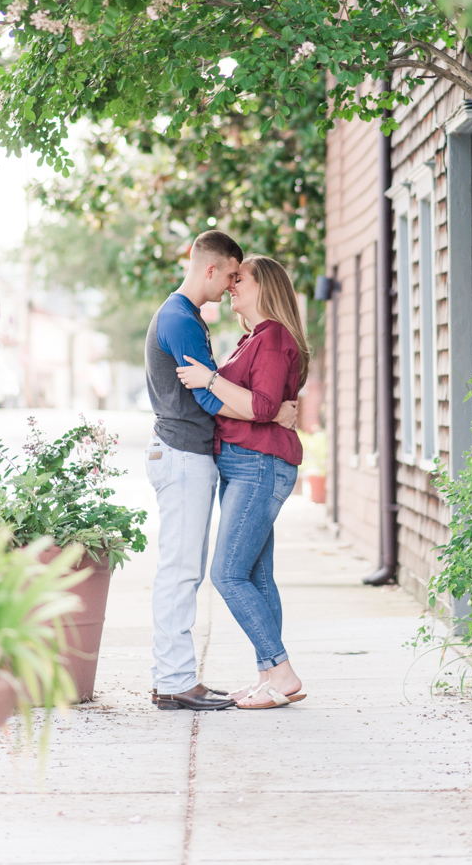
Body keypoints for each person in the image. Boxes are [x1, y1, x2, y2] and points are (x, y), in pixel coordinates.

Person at [144, 232, 298, 712]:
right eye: (231, 274)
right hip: (188, 455)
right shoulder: (182, 319)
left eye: (241, 279)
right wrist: (272, 412)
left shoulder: (247, 332)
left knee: (230, 572)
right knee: (191, 570)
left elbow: (223, 392)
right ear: (211, 269)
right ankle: (176, 679)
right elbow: (211, 398)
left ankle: (271, 675)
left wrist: (265, 407)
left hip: (236, 461)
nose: (233, 284)